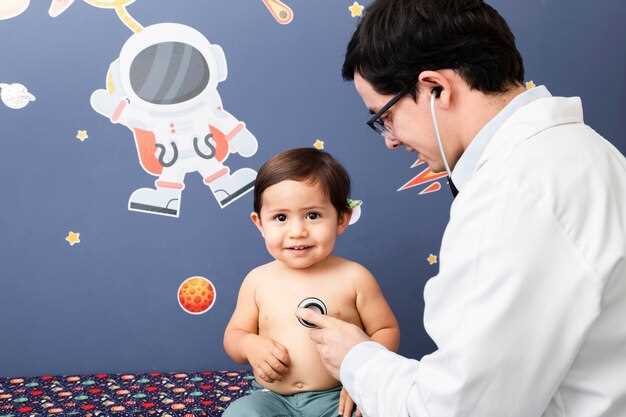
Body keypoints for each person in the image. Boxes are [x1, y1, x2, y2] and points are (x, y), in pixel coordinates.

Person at [295, 0, 626, 416]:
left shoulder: (514, 194)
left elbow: (458, 409)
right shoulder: (582, 153)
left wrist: (356, 359)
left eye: (385, 116)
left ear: (437, 88)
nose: (390, 140)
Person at [222, 148, 400, 417]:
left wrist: (363, 377)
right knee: (241, 412)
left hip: (337, 396)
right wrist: (249, 345)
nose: (297, 232)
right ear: (259, 223)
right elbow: (234, 335)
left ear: (342, 219)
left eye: (313, 215)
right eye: (281, 218)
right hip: (272, 398)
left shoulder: (354, 277)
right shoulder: (257, 280)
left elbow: (386, 329)